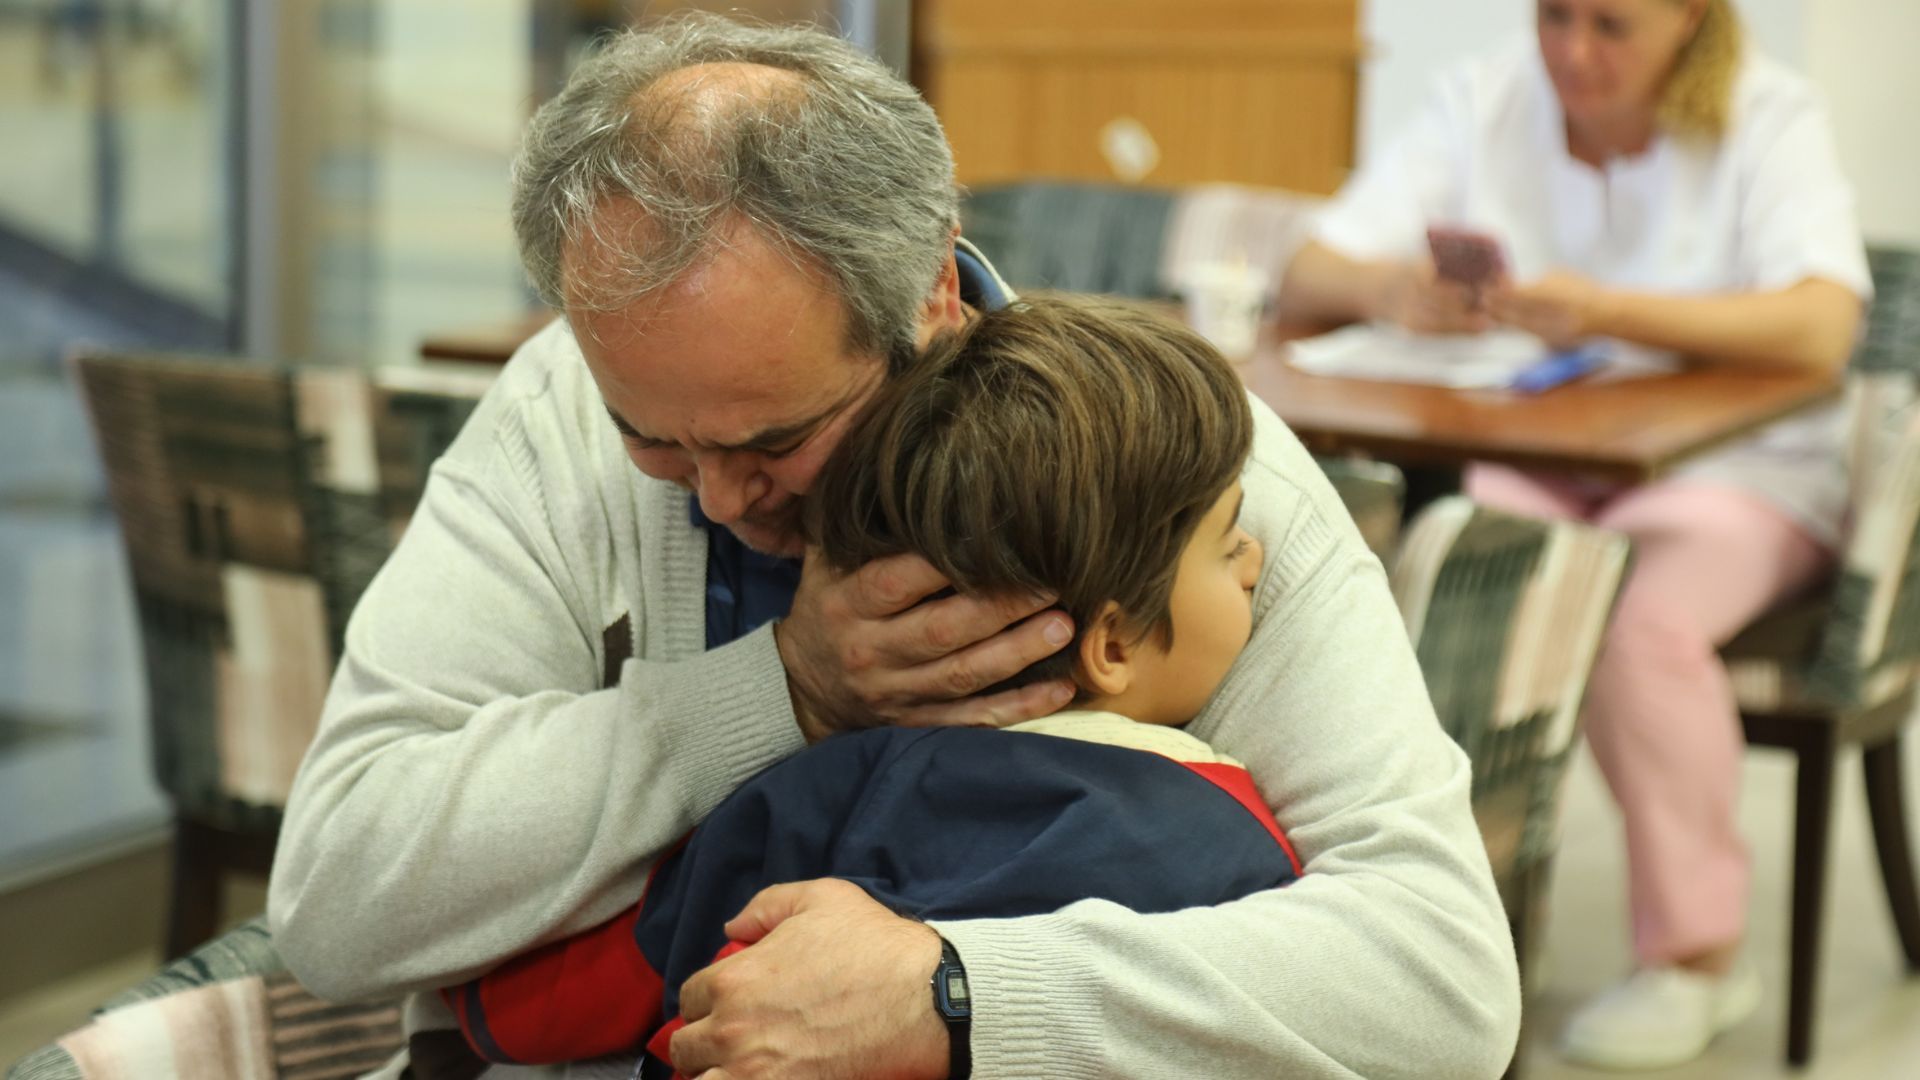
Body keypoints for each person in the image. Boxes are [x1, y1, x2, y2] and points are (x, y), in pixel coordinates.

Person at [269, 14, 1520, 1079]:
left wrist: (955, 998)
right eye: (653, 440)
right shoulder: (558, 416)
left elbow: (1440, 979)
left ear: (930, 297)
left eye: (776, 437)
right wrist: (781, 692)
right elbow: (337, 903)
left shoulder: (1177, 487)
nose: (712, 500)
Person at [440, 298, 1302, 1078]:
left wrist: (478, 1010)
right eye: (1229, 547)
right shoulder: (1233, 839)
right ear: (1112, 644)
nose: (1258, 562)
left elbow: (557, 993)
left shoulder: (823, 783)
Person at [1278, 0, 1869, 1070]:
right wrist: (1393, 290)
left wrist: (1607, 310)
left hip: (1741, 473)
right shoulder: (1489, 97)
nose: (1573, 54)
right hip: (1554, 457)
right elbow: (1312, 267)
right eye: (1555, 18)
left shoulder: (1768, 115)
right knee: (1459, 577)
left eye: (1611, 26)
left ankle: (1699, 957)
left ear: (1690, 21)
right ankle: (1441, 924)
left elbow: (1824, 323)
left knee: (1638, 618)